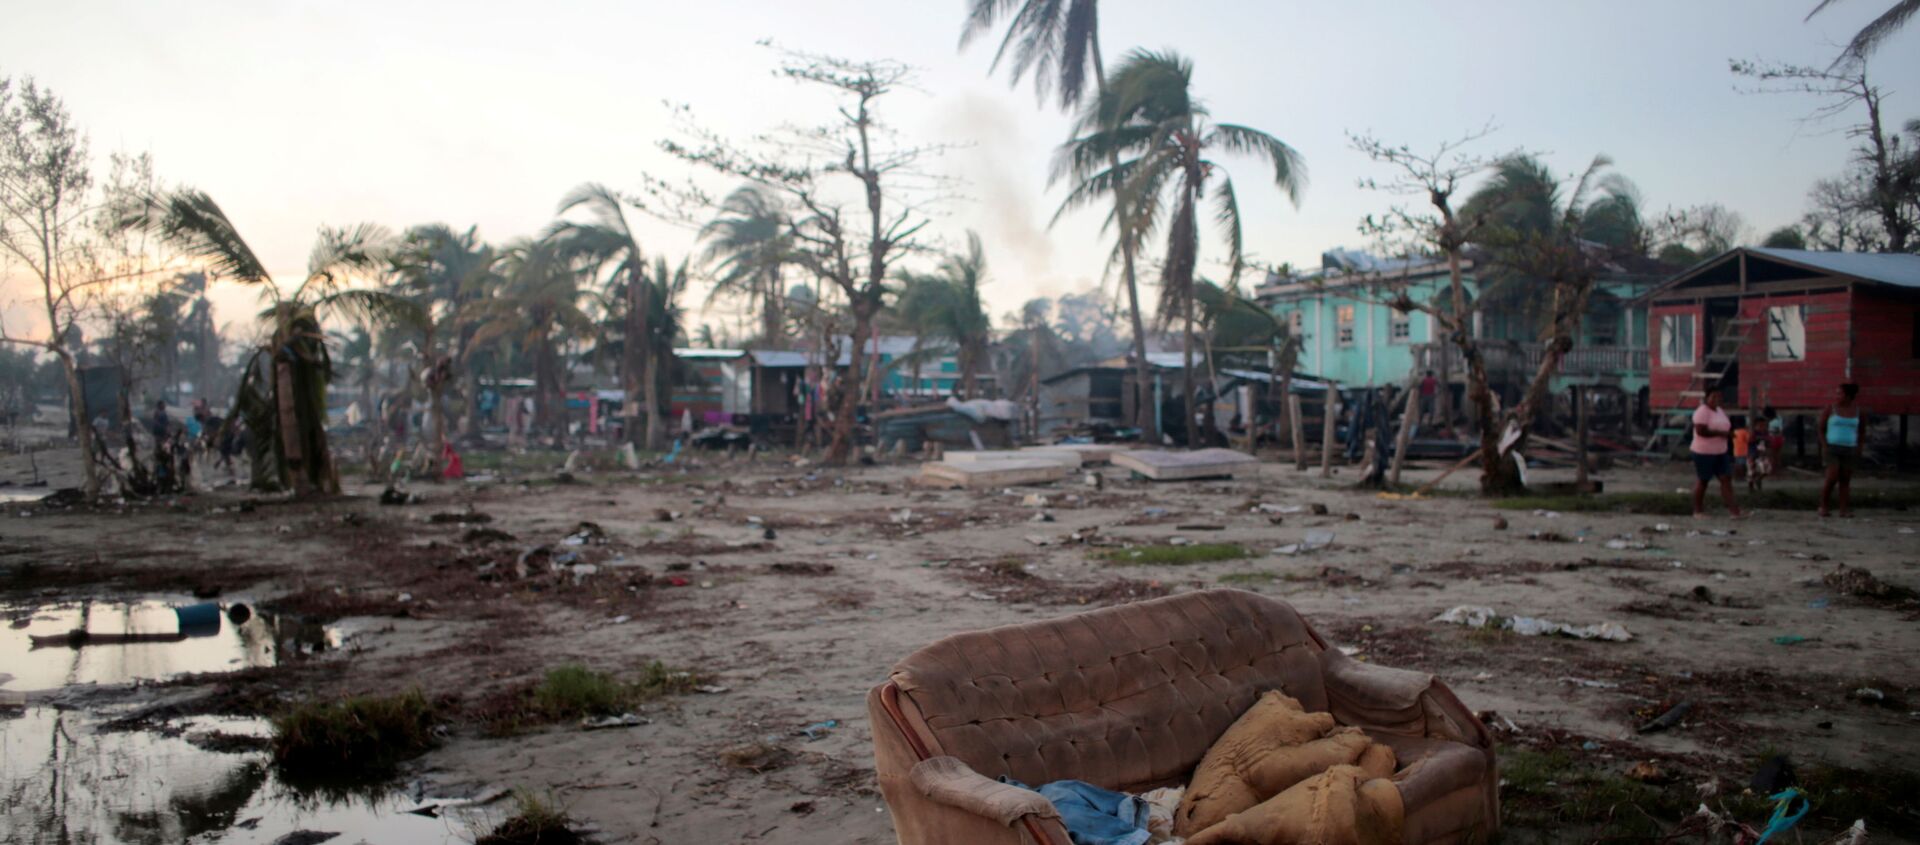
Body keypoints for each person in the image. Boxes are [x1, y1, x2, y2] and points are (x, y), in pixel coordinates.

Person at [1689, 388, 1744, 519]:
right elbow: (1701, 431)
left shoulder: (1719, 411)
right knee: (1703, 480)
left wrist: (1729, 434)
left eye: (1719, 397)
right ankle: (1698, 511)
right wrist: (1722, 433)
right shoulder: (1702, 412)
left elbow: (1725, 427)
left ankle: (1734, 512)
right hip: (1703, 452)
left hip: (1720, 451)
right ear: (1707, 398)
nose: (1716, 399)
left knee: (1726, 479)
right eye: (1713, 397)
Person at [1818, 383, 1861, 518]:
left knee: (1845, 479)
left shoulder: (1858, 411)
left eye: (1840, 393)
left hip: (1850, 448)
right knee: (1832, 477)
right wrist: (1824, 446)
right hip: (1832, 448)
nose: (1837, 396)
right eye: (1837, 393)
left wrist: (1859, 447)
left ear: (1848, 396)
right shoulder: (1830, 409)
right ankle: (1823, 506)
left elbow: (1862, 431)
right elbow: (1821, 429)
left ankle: (1843, 509)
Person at [1732, 416, 1753, 480]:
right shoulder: (1744, 431)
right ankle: (1741, 477)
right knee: (1742, 464)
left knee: (1737, 464)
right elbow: (1748, 440)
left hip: (1736, 450)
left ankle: (1736, 476)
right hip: (1743, 451)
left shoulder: (1735, 431)